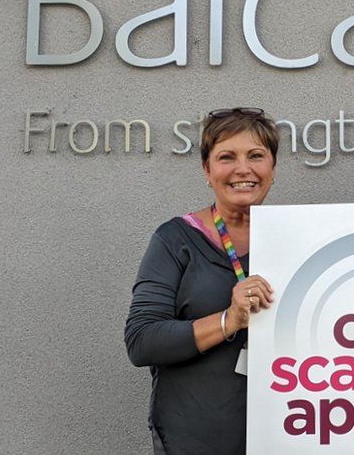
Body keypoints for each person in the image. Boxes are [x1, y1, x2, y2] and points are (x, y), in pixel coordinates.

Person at [125, 107, 277, 455]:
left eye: (256, 155)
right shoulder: (174, 240)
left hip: (284, 435)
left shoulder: (298, 239)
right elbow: (142, 340)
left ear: (272, 168)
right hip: (194, 437)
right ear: (207, 171)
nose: (243, 169)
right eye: (227, 157)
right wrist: (229, 320)